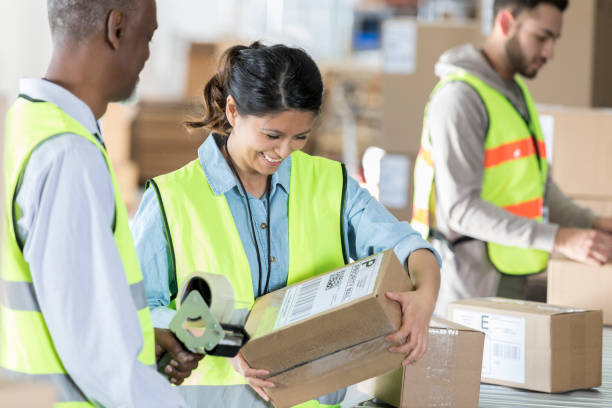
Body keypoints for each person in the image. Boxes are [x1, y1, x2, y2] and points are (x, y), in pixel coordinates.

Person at [131, 42, 442, 408]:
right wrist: (221, 343)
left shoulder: (331, 185)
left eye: (300, 137)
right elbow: (140, 308)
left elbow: (407, 245)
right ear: (233, 111)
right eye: (272, 135)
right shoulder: (172, 198)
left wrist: (425, 297)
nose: (283, 152)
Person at [0, 0, 201, 406]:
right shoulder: (67, 155)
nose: (147, 53)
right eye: (149, 36)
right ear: (117, 29)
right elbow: (101, 359)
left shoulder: (24, 124)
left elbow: (63, 300)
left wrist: (139, 337)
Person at [411, 0, 612, 318]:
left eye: (554, 40)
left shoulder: (513, 93)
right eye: (542, 37)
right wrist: (561, 238)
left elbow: (536, 181)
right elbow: (460, 209)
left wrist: (590, 223)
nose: (549, 53)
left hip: (510, 269)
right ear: (506, 22)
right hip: (471, 284)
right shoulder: (460, 99)